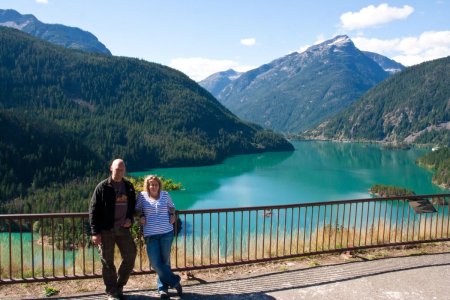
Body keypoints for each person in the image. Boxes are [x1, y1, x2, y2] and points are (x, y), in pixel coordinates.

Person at [89, 158, 137, 300]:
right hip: (106, 230)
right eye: (117, 169)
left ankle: (119, 286)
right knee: (107, 261)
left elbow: (132, 206)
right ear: (111, 168)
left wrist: (130, 219)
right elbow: (93, 210)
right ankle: (111, 291)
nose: (120, 171)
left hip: (123, 229)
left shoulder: (128, 186)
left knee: (131, 256)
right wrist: (95, 232)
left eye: (122, 169)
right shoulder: (102, 187)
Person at [135, 175, 182, 299]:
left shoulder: (165, 195)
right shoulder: (142, 196)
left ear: (159, 185)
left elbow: (172, 206)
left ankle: (163, 289)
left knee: (165, 262)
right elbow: (137, 209)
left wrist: (172, 214)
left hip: (167, 232)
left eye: (155, 184)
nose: (153, 186)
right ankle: (175, 281)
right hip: (151, 234)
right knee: (155, 263)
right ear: (147, 185)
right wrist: (140, 216)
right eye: (151, 184)